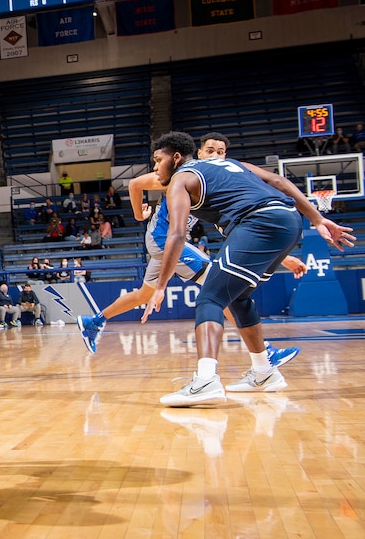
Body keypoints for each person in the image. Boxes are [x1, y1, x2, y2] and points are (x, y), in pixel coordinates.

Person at [142, 132, 353, 407]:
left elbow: (177, 235)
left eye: (158, 160)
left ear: (177, 158)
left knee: (210, 297)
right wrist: (317, 218)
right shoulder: (233, 166)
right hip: (289, 221)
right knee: (236, 297)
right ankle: (264, 372)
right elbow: (278, 181)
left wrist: (160, 286)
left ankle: (205, 380)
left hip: (260, 221)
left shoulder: (180, 179)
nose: (156, 167)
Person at [78, 133, 307, 360]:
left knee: (143, 294)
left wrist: (284, 259)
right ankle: (262, 354)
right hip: (164, 239)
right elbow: (136, 183)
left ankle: (94, 321)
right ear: (198, 153)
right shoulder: (179, 175)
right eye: (210, 151)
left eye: (220, 152)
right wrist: (140, 215)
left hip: (170, 243)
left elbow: (236, 228)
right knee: (220, 287)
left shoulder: (215, 181)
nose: (215, 155)